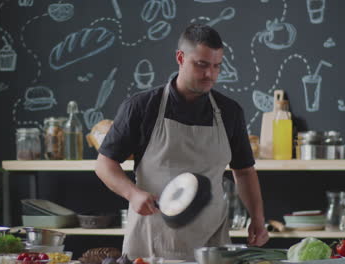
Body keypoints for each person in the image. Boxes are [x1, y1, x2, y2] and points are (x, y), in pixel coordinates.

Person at [95, 24, 269, 260]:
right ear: (180, 57)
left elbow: (245, 171)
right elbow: (104, 164)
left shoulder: (230, 112)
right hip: (152, 241)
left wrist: (257, 219)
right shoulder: (142, 107)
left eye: (217, 66)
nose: (210, 74)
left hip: (212, 244)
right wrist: (133, 194)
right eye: (202, 65)